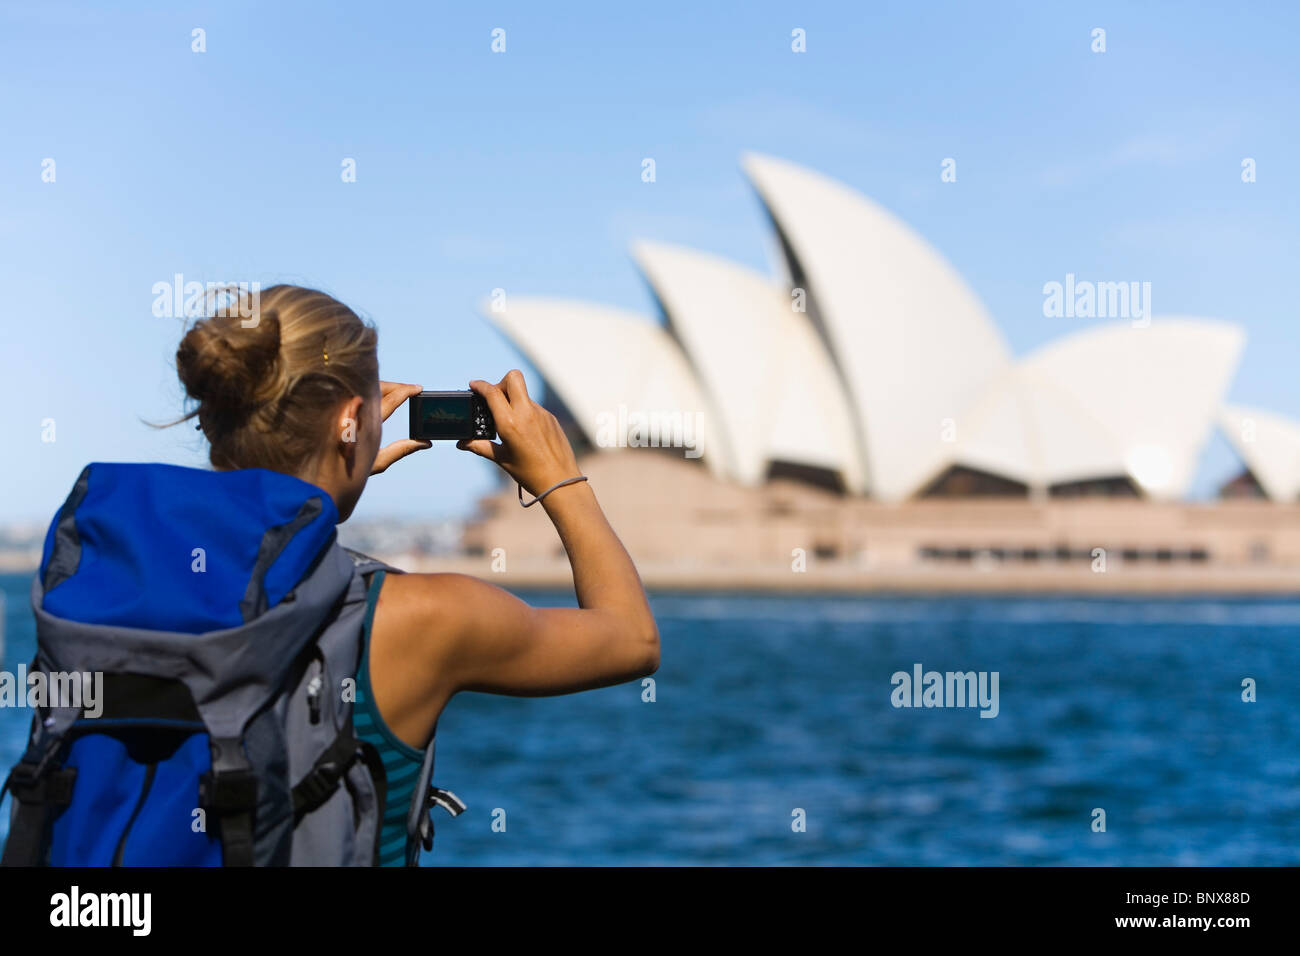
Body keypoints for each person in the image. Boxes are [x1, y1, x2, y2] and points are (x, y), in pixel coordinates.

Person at [1, 284, 658, 867]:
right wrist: (559, 477)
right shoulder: (417, 617)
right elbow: (630, 639)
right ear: (352, 420)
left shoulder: (100, 580)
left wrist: (315, 489)